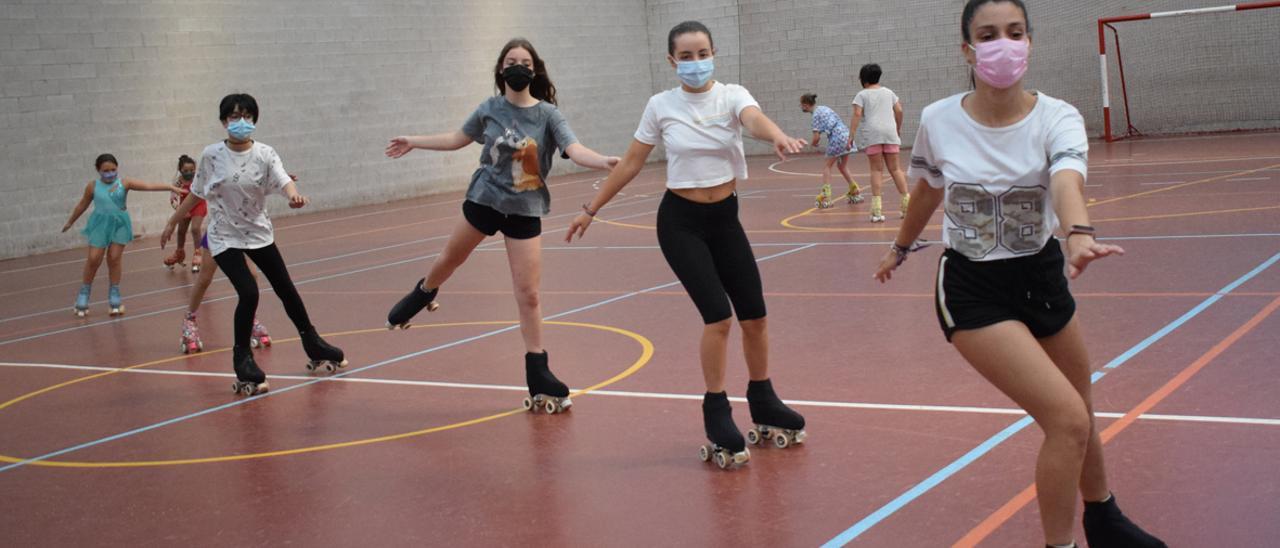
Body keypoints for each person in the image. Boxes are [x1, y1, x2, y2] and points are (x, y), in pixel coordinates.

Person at [873, 2, 1166, 546]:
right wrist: (901, 246)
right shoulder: (940, 119)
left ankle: (1103, 518)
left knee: (1083, 405)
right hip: (974, 289)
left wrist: (1078, 232)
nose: (1002, 44)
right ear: (968, 49)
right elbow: (928, 191)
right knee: (1067, 420)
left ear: (1029, 42)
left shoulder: (1058, 116)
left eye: (1014, 33)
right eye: (988, 35)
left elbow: (1066, 180)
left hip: (1042, 276)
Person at [566, 21, 808, 469]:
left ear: (714, 53)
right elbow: (632, 162)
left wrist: (774, 134)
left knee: (754, 315)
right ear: (671, 61)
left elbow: (752, 119)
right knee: (718, 317)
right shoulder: (660, 105)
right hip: (680, 223)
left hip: (725, 219)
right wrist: (590, 208)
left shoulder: (733, 95)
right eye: (687, 56)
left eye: (703, 54)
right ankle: (716, 410)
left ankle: (764, 399)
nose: (696, 63)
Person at [383, 38, 619, 414]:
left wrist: (604, 161)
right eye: (511, 61)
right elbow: (456, 139)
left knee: (529, 294)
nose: (518, 67)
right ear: (501, 70)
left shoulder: (547, 115)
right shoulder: (490, 108)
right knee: (450, 259)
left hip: (525, 209)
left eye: (525, 62)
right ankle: (424, 292)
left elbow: (574, 149)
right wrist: (415, 141)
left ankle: (538, 371)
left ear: (535, 70)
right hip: (485, 200)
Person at [162, 93, 344, 396]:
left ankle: (313, 343)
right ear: (223, 122)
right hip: (224, 237)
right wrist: (171, 223)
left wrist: (293, 195)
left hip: (258, 233)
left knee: (286, 289)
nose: (241, 122)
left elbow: (284, 180)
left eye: (247, 116)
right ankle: (242, 359)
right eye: (234, 117)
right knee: (248, 291)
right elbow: (196, 193)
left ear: (255, 120)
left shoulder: (265, 153)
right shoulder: (211, 155)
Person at [61, 153, 186, 317]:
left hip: (119, 224)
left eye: (113, 169)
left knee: (113, 258)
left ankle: (114, 294)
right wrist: (70, 221)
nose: (110, 173)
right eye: (106, 170)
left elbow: (148, 186)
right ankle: (84, 293)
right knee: (94, 259)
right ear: (98, 170)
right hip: (100, 224)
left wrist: (171, 187)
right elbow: (82, 205)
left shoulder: (124, 183)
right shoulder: (93, 186)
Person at [849, 63, 911, 222]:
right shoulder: (889, 92)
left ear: (863, 79)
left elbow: (857, 114)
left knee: (876, 171)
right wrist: (898, 127)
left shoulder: (861, 95)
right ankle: (907, 206)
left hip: (873, 134)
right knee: (896, 169)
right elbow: (899, 110)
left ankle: (877, 211)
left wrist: (851, 135)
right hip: (890, 132)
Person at [799, 93, 863, 208]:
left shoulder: (815, 116)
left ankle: (826, 196)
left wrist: (812, 144)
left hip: (836, 138)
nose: (800, 107)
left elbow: (816, 137)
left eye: (801, 105)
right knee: (842, 166)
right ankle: (854, 189)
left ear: (805, 105)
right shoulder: (824, 108)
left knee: (827, 167)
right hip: (846, 135)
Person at [162, 154, 208, 273]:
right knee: (181, 231)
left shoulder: (198, 179)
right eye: (186, 170)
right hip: (184, 208)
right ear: (180, 170)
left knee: (195, 228)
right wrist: (178, 209)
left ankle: (198, 253)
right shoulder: (178, 182)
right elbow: (173, 198)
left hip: (199, 205)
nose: (189, 172)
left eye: (192, 170)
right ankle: (179, 252)